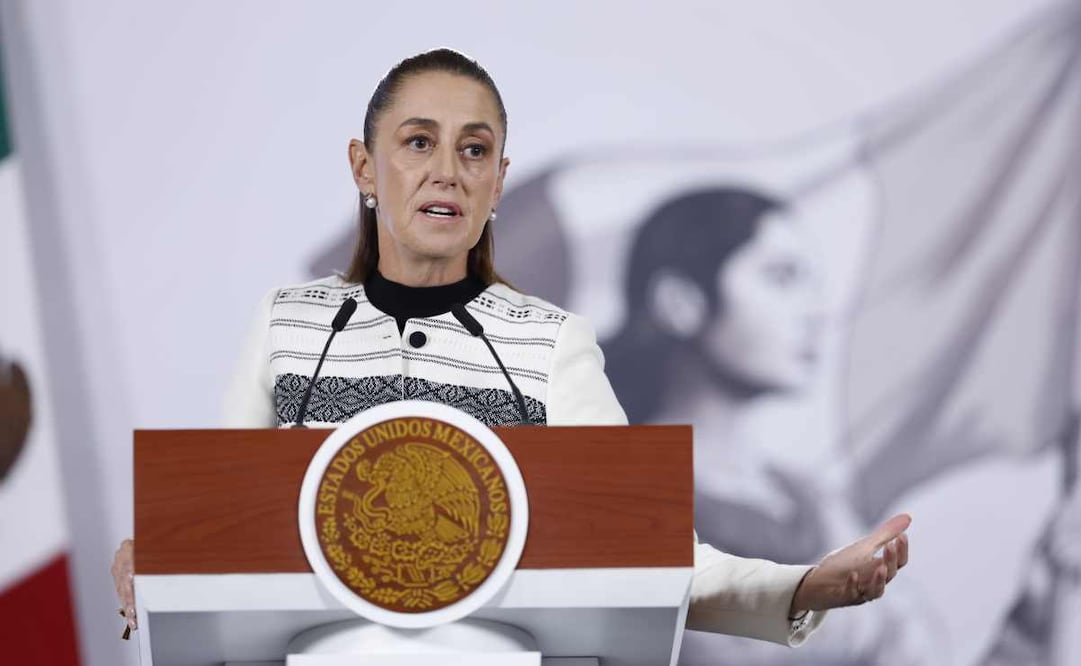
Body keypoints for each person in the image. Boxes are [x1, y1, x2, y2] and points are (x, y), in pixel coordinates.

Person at [111, 48, 910, 652]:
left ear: (497, 181)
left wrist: (801, 586)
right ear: (364, 166)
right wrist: (161, 554)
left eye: (473, 149)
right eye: (417, 142)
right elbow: (222, 530)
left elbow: (654, 557)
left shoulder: (551, 343)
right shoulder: (285, 326)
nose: (446, 172)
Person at [602, 188, 937, 664]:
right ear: (680, 301)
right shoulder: (612, 492)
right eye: (781, 278)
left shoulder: (814, 504)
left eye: (812, 285)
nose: (816, 312)